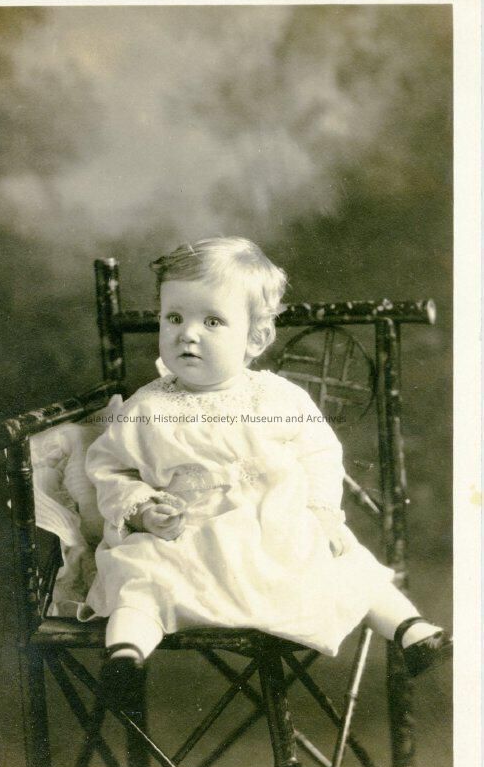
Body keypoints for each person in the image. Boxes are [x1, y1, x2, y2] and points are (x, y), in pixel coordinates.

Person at [84, 237, 451, 705]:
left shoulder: (277, 398)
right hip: (190, 541)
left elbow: (319, 453)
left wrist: (322, 514)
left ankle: (411, 631)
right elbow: (111, 468)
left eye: (211, 321)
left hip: (274, 536)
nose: (187, 334)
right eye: (174, 317)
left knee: (346, 562)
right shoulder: (146, 408)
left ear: (255, 339)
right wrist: (142, 510)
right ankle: (126, 656)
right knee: (140, 575)